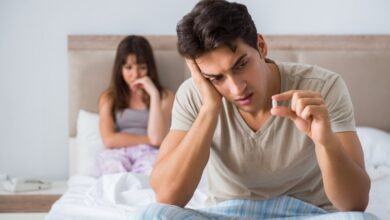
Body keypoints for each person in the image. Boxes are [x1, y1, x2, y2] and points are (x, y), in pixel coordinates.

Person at [132, 0, 380, 219]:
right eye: (216, 78)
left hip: (308, 212)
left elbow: (355, 203)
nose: (236, 88)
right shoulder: (194, 96)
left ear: (261, 45)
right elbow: (166, 196)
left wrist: (325, 142)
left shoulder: (323, 88)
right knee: (152, 214)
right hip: (227, 212)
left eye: (241, 65)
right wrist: (210, 108)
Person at [96, 35, 174, 176]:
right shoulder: (109, 97)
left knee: (150, 176)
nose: (135, 75)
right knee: (114, 175)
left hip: (150, 153)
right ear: (120, 69)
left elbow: (157, 138)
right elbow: (109, 140)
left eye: (142, 68)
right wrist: (148, 140)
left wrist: (153, 94)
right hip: (117, 153)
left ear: (150, 68)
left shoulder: (165, 97)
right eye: (128, 68)